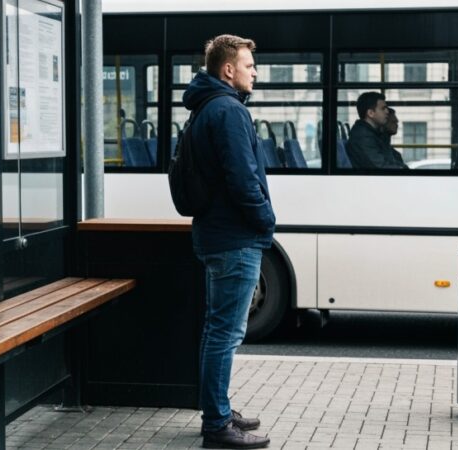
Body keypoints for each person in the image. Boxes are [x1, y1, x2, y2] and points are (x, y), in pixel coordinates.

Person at [182, 34, 273, 449]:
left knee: (215, 330)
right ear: (227, 70)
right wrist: (265, 219)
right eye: (249, 64)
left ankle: (218, 410)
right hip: (234, 237)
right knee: (224, 333)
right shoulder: (229, 111)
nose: (255, 71)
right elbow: (243, 178)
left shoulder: (205, 109)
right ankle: (217, 425)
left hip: (216, 234)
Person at [346, 92, 407, 169]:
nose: (387, 112)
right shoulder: (363, 136)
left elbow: (392, 158)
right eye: (383, 109)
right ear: (371, 113)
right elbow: (380, 167)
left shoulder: (374, 134)